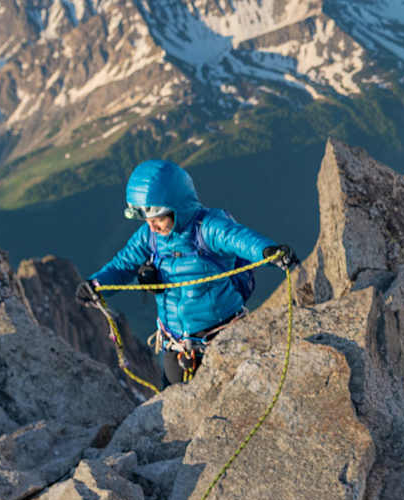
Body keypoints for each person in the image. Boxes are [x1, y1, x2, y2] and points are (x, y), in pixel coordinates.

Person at [76, 160, 299, 388]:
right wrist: (96, 285)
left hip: (223, 339)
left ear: (178, 208)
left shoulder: (207, 227)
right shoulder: (149, 236)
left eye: (159, 218)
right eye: (148, 220)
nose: (152, 226)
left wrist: (269, 252)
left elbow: (240, 240)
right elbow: (124, 264)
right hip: (176, 345)